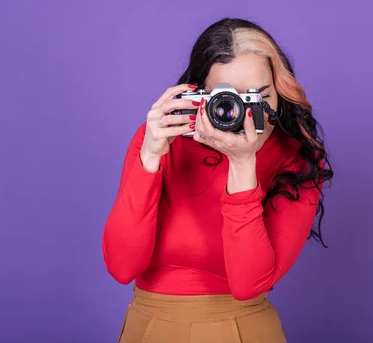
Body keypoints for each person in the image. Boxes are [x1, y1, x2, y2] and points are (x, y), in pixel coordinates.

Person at [102, 18, 333, 342]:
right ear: (200, 94)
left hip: (244, 329)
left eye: (259, 95)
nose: (241, 111)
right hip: (149, 327)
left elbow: (248, 285)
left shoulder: (296, 159)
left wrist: (243, 164)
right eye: (227, 98)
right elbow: (121, 266)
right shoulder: (162, 139)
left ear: (280, 89)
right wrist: (149, 159)